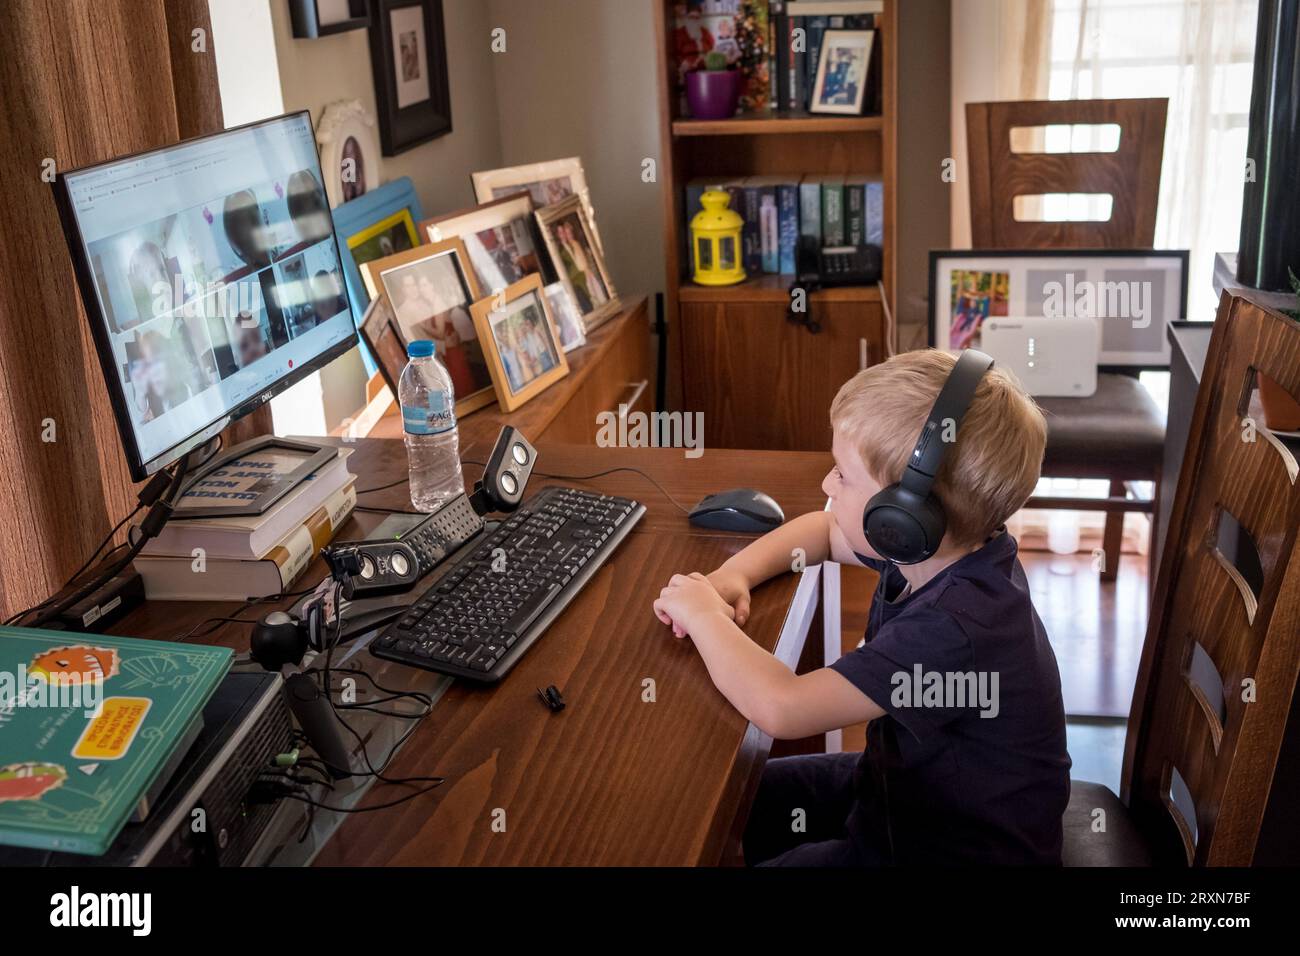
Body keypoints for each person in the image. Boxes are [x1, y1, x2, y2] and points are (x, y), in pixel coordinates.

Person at [652, 349, 1071, 866]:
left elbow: (783, 706)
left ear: (902, 517)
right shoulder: (941, 550)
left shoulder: (955, 627)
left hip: (950, 851)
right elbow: (824, 531)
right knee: (733, 800)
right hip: (902, 791)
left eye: (843, 476)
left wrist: (704, 615)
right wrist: (730, 576)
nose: (827, 485)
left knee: (722, 814)